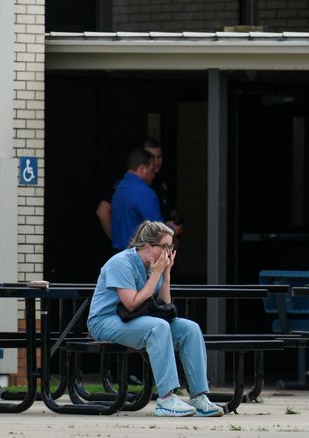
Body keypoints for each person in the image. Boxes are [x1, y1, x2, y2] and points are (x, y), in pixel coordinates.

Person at [87, 220, 224, 417]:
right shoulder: (121, 263)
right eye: (165, 246)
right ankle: (166, 400)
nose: (169, 251)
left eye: (171, 246)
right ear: (148, 246)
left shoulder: (156, 266)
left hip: (138, 320)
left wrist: (166, 275)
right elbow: (131, 303)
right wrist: (156, 274)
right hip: (105, 321)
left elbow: (164, 305)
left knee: (190, 328)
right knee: (158, 327)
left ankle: (199, 397)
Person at [96, 139, 181, 243]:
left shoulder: (161, 182)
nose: (155, 162)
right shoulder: (130, 186)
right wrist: (118, 241)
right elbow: (102, 211)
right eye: (151, 157)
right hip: (142, 250)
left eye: (159, 157)